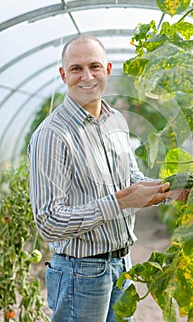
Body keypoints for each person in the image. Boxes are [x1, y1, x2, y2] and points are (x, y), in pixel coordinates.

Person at [28, 34, 175, 322]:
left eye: (94, 66)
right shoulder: (52, 135)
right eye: (76, 69)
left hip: (122, 264)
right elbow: (49, 222)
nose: (87, 77)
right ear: (63, 75)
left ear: (107, 70)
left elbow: (131, 178)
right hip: (79, 273)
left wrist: (168, 190)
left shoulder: (116, 121)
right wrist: (118, 202)